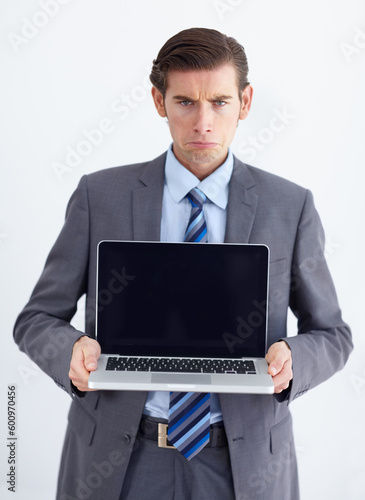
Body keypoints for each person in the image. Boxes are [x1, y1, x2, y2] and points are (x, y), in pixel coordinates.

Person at [14, 27, 353, 500]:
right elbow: (36, 319)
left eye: (219, 102)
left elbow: (333, 335)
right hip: (122, 460)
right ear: (159, 101)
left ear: (246, 102)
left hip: (241, 464)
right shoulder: (100, 196)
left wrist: (295, 360)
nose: (203, 123)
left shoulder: (289, 206)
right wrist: (68, 350)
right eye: (185, 103)